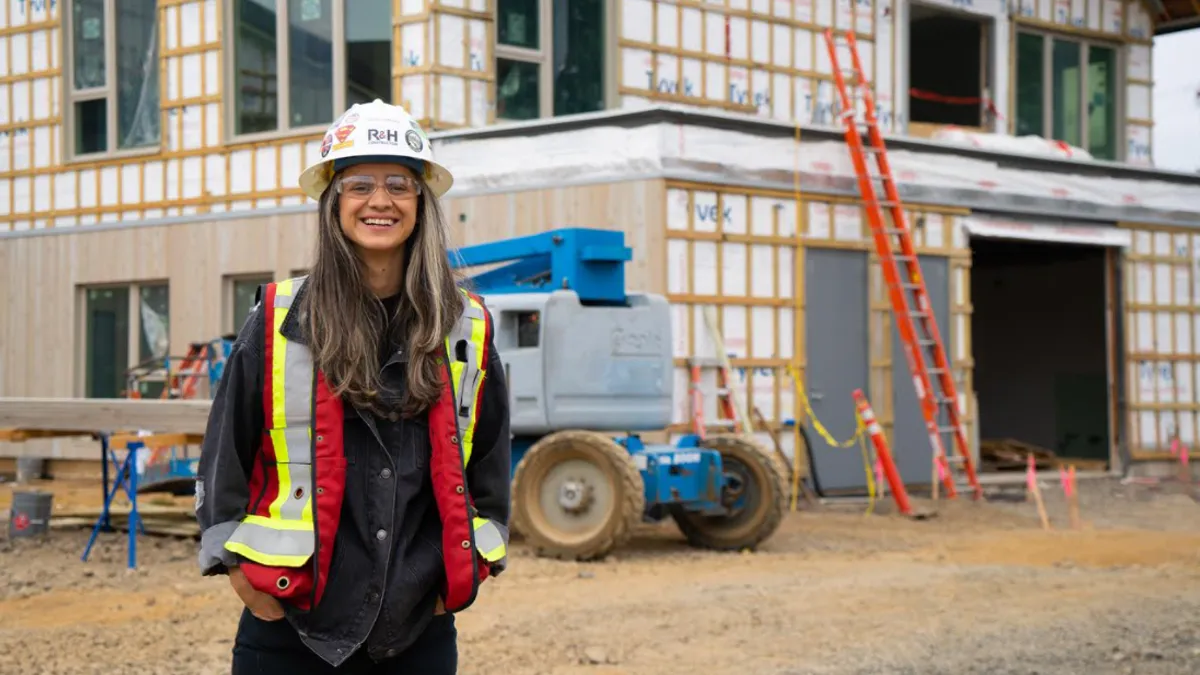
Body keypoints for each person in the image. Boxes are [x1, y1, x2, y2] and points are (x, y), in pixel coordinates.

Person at [194, 99, 512, 674]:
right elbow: (224, 459)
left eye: (399, 184)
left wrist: (466, 575)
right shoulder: (279, 321)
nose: (380, 201)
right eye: (359, 184)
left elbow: (490, 470)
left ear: (422, 201)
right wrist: (242, 577)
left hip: (419, 629)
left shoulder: (466, 328)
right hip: (290, 626)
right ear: (333, 201)